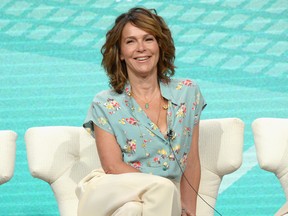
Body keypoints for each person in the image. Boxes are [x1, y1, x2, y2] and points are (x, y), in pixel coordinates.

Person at [76, 7, 206, 216]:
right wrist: (159, 187)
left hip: (159, 200)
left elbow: (191, 160)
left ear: (159, 45)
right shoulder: (106, 103)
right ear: (119, 53)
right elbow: (112, 166)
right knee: (158, 192)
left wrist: (188, 208)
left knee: (148, 203)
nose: (141, 48)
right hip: (113, 191)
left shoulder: (187, 93)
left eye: (148, 39)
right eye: (130, 41)